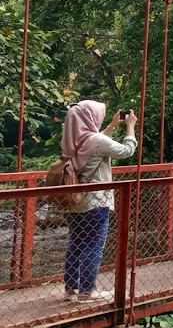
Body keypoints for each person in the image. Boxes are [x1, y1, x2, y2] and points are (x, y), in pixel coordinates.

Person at [62, 101, 138, 303]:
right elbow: (125, 151)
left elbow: (96, 143)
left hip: (72, 201)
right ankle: (87, 292)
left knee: (76, 244)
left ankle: (71, 289)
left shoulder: (72, 139)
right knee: (93, 246)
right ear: (90, 118)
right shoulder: (95, 140)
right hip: (96, 202)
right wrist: (130, 127)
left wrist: (112, 126)